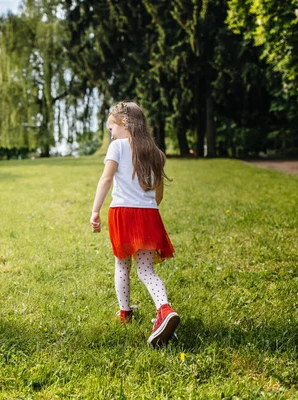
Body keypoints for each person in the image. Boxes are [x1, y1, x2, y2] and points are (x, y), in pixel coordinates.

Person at [90, 101, 179, 346]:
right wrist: (147, 207)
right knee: (146, 270)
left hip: (122, 214)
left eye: (111, 129)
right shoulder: (156, 153)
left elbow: (106, 178)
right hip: (149, 215)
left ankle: (125, 312)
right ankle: (164, 308)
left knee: (122, 265)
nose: (111, 134)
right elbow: (158, 194)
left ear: (125, 123)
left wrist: (95, 210)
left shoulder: (117, 147)